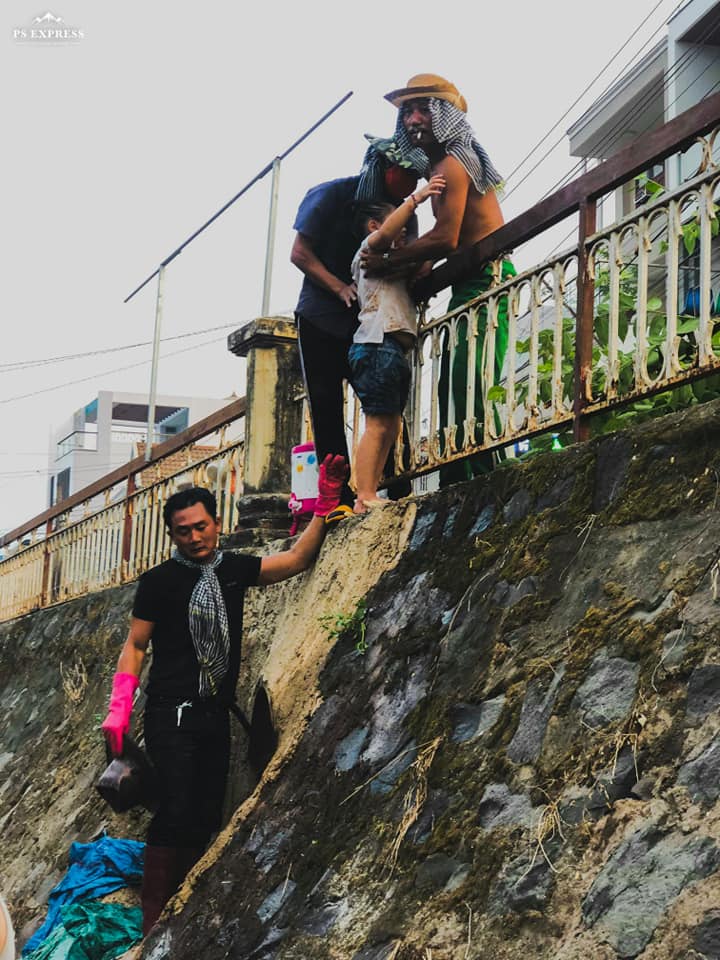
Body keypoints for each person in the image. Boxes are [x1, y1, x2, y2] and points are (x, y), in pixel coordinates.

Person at [100, 456, 346, 936]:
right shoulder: (158, 583)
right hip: (170, 715)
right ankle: (153, 923)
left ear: (217, 523)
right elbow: (136, 645)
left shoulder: (233, 569)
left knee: (208, 811)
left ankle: (183, 909)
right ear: (172, 535)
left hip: (214, 714)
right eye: (183, 531)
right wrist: (119, 706)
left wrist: (325, 504)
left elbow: (296, 560)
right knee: (174, 808)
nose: (194, 537)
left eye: (201, 527)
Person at [361, 74, 517, 487]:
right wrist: (420, 262)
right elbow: (451, 237)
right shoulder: (439, 166)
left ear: (443, 115)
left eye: (423, 109)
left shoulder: (453, 161)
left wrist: (388, 260)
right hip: (468, 281)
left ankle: (483, 476)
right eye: (407, 112)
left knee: (472, 381)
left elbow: (446, 237)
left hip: (488, 278)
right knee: (454, 380)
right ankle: (459, 476)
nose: (413, 119)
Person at [290, 145, 421, 519]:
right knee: (327, 407)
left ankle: (395, 484)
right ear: (386, 169)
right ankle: (338, 499)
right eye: (409, 174)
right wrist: (338, 287)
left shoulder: (405, 214)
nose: (414, 182)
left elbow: (414, 257)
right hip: (321, 317)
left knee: (385, 406)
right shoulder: (331, 194)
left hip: (372, 324)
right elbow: (299, 252)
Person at [349, 175, 446, 513]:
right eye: (396, 222)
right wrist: (415, 199)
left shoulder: (392, 265)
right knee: (378, 424)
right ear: (374, 225)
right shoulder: (368, 252)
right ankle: (364, 493)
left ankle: (369, 490)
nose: (403, 229)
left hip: (389, 348)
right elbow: (386, 235)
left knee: (389, 426)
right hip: (377, 344)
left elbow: (424, 262)